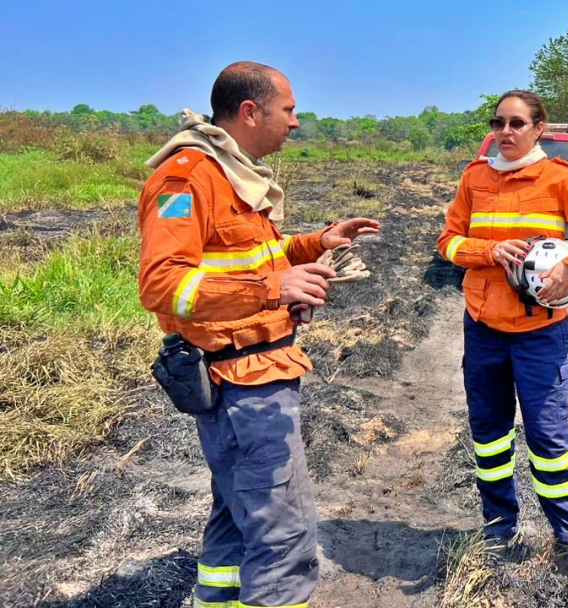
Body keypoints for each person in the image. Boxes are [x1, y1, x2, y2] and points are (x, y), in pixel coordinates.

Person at [137, 61, 379, 608]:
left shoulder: (232, 172)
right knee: (282, 537)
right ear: (250, 111)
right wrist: (273, 288)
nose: (295, 123)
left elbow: (251, 256)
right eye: (288, 110)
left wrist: (317, 242)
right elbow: (161, 284)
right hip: (239, 384)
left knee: (235, 516)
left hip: (257, 373)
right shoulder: (187, 177)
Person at [436, 90, 568, 583]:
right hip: (483, 330)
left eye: (518, 123)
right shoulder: (475, 178)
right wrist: (489, 252)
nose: (506, 132)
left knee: (548, 439)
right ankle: (499, 531)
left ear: (539, 128)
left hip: (539, 334)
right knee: (491, 439)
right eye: (499, 123)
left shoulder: (559, 179)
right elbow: (448, 241)